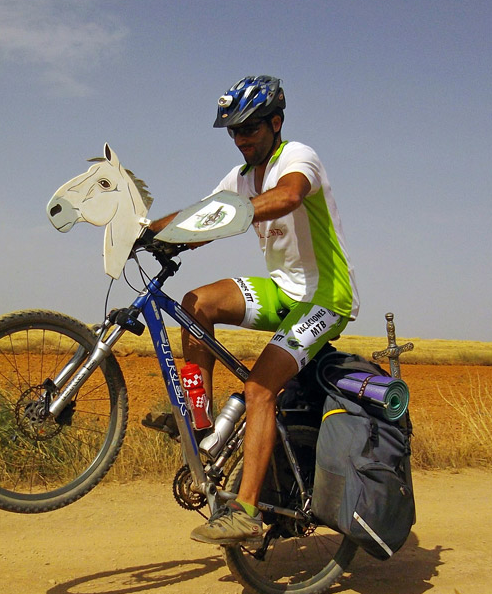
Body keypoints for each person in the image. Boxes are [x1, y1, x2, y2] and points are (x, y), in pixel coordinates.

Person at [147, 75, 359, 545]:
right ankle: (202, 425)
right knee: (195, 304)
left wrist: (236, 213)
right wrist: (148, 232)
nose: (241, 139)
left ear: (276, 123)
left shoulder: (298, 157)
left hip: (324, 297)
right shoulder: (240, 178)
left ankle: (246, 512)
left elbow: (288, 196)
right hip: (283, 289)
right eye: (234, 132)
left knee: (260, 388)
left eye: (250, 129)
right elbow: (201, 215)